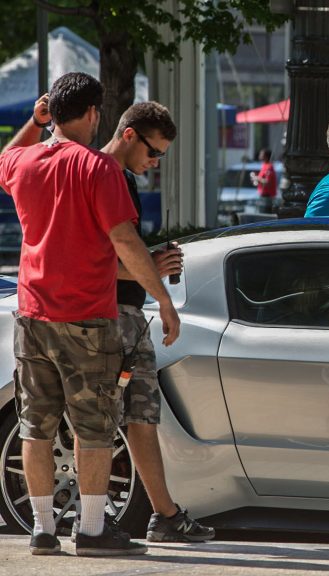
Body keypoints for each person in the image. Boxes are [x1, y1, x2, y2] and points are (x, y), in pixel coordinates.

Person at [0, 72, 180, 556]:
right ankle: (94, 529)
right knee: (93, 425)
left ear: (52, 111)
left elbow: (3, 159)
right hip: (85, 315)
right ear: (95, 114)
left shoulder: (25, 161)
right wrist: (161, 298)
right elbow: (125, 240)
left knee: (36, 425)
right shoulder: (96, 168)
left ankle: (41, 529)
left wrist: (34, 124)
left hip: (31, 313)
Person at [99, 102, 216, 543]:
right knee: (102, 420)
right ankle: (93, 518)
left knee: (141, 414)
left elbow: (120, 253)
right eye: (154, 151)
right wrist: (152, 269)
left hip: (127, 315)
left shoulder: (122, 178)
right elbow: (94, 259)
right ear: (130, 135)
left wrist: (151, 265)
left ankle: (164, 515)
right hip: (106, 316)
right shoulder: (99, 174)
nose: (155, 162)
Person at [250, 148, 277, 213]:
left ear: (266, 156)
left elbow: (268, 182)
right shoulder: (264, 165)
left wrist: (256, 178)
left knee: (265, 215)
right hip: (262, 196)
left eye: (261, 154)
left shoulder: (269, 167)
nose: (260, 155)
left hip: (267, 197)